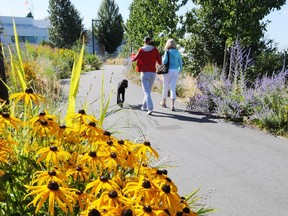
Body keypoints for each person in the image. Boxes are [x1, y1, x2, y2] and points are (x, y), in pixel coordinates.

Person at [131, 37, 162, 115]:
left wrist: (132, 55)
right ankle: (144, 107)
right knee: (148, 91)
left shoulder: (141, 49)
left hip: (145, 73)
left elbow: (134, 59)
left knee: (146, 92)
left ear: (144, 42)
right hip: (153, 73)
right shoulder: (155, 50)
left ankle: (150, 108)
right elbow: (160, 61)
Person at [160, 39, 183, 111]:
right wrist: (180, 70)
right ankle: (172, 105)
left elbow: (164, 62)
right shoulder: (178, 53)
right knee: (173, 87)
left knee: (165, 86)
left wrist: (163, 57)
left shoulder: (167, 52)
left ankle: (163, 102)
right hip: (175, 71)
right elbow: (181, 63)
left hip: (167, 71)